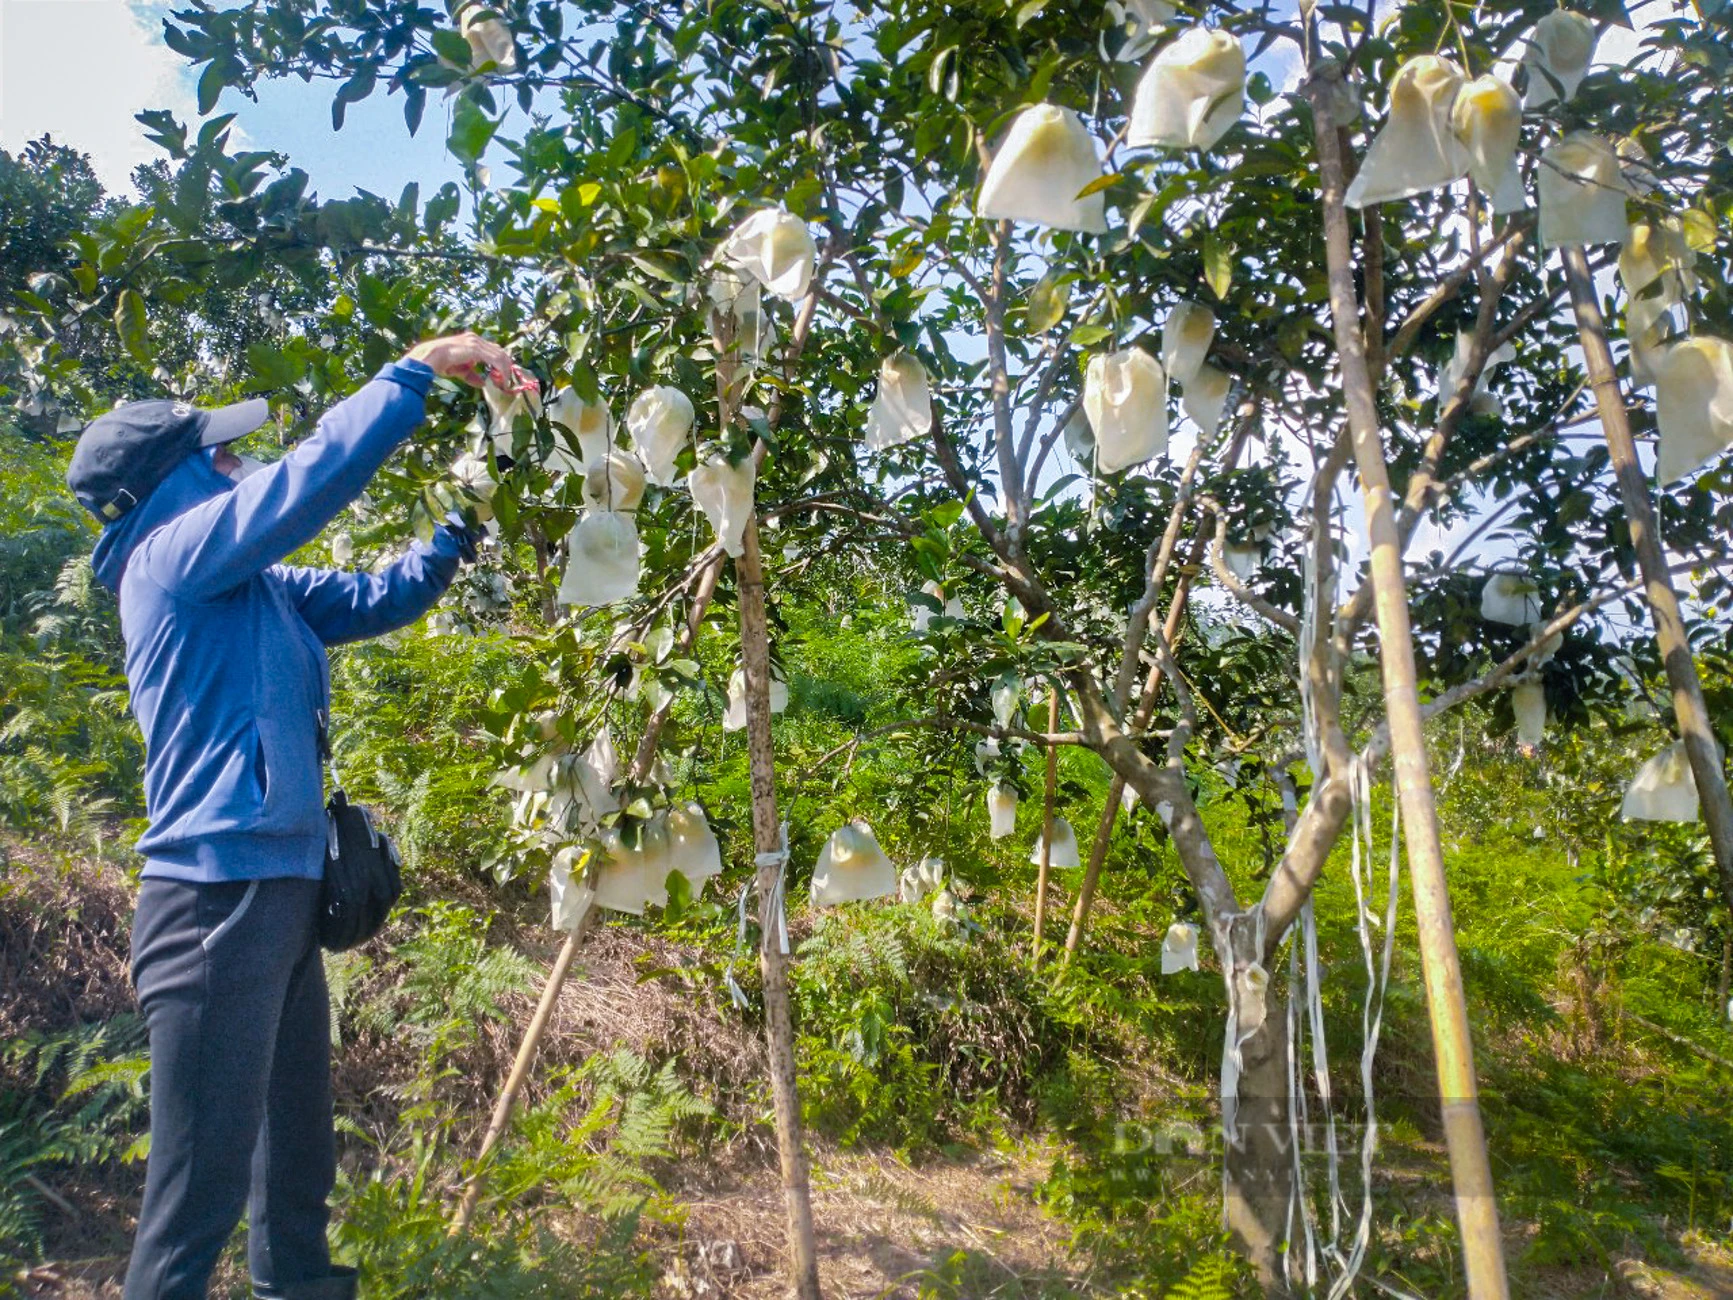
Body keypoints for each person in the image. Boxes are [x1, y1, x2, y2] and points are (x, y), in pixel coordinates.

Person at [66, 332, 518, 1300]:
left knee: (296, 1161)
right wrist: (415, 374)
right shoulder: (172, 557)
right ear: (176, 482)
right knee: (196, 1195)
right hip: (210, 904)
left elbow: (380, 593)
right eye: (219, 455)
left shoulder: (254, 589)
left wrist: (466, 519)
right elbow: (305, 483)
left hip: (273, 890)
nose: (239, 463)